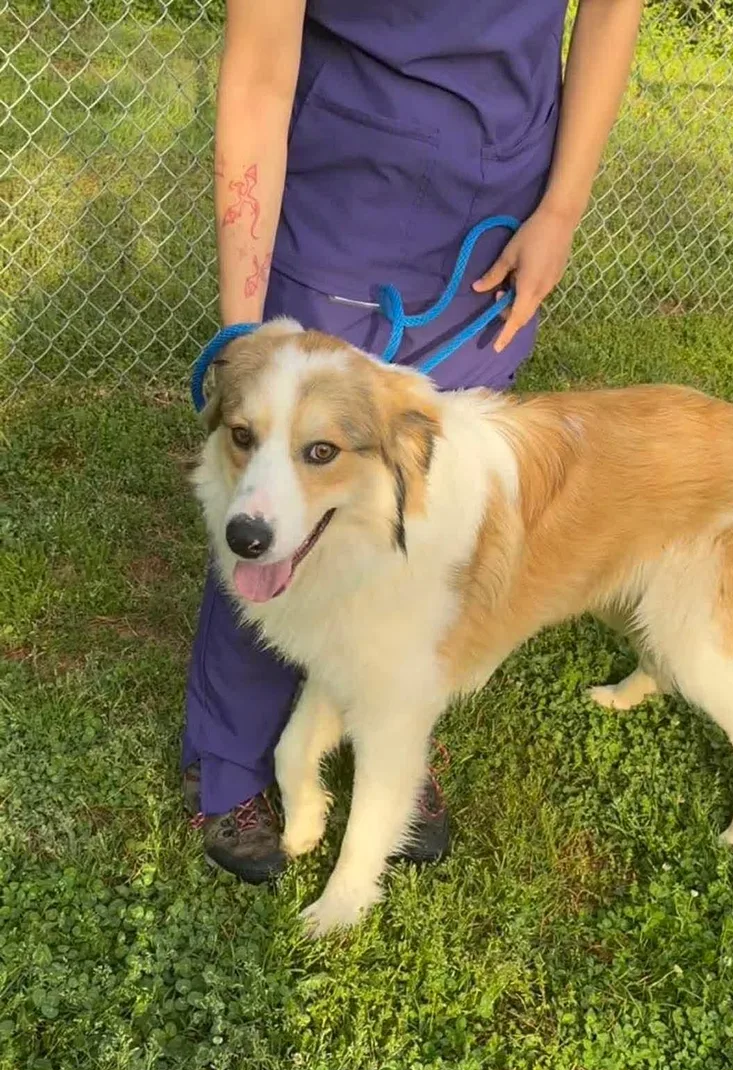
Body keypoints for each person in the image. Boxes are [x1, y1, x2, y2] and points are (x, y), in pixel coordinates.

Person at [183, 0, 644, 884]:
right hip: (344, 194)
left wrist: (562, 208)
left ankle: (395, 717)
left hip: (495, 219)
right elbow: (257, 69)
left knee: (434, 514)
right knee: (277, 501)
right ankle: (233, 757)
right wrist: (246, 344)